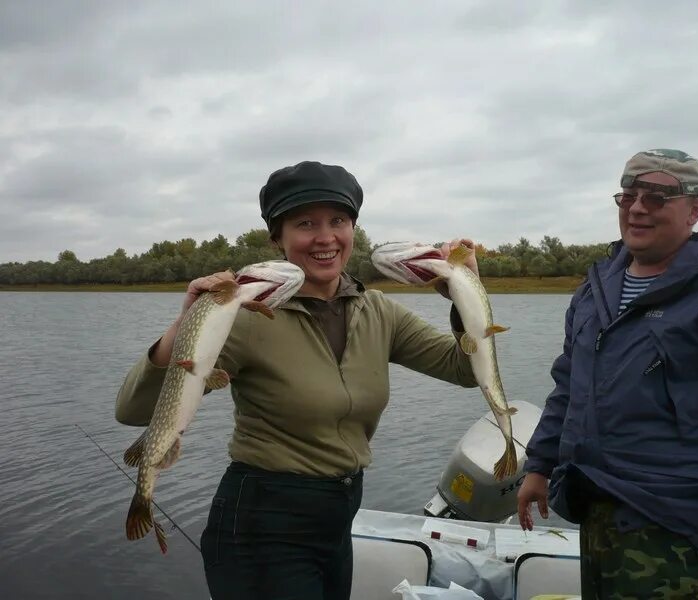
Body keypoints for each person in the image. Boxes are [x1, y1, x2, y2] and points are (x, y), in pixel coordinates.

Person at [115, 160, 480, 600]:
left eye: (338, 221)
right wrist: (185, 325)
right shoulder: (243, 319)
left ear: (352, 231)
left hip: (336, 524)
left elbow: (465, 371)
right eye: (305, 223)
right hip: (262, 526)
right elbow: (135, 412)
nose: (325, 237)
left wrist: (465, 295)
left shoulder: (380, 312)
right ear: (278, 239)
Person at [516, 149, 698, 600]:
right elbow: (568, 386)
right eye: (628, 195)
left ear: (696, 209)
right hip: (594, 507)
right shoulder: (596, 288)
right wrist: (540, 464)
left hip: (672, 523)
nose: (637, 207)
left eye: (658, 196)